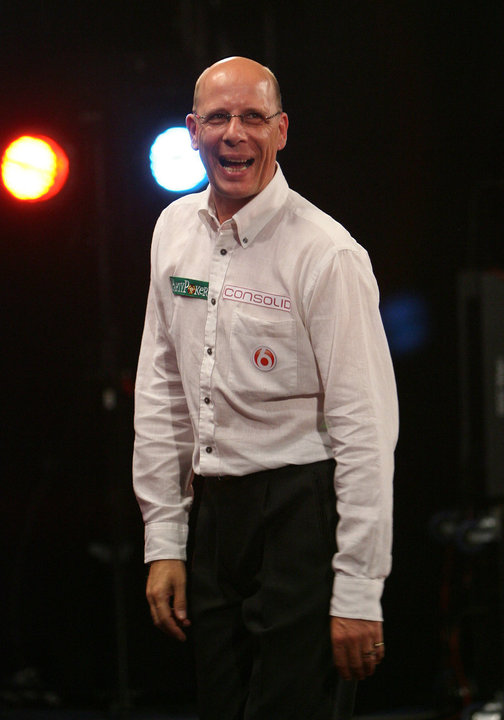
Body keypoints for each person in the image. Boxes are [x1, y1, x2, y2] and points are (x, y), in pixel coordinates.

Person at [133, 56, 398, 720]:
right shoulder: (172, 230)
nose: (234, 133)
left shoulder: (326, 253)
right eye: (218, 118)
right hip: (214, 516)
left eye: (252, 117)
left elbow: (366, 431)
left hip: (301, 514)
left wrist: (358, 590)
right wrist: (164, 539)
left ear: (281, 130)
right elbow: (161, 389)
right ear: (192, 131)